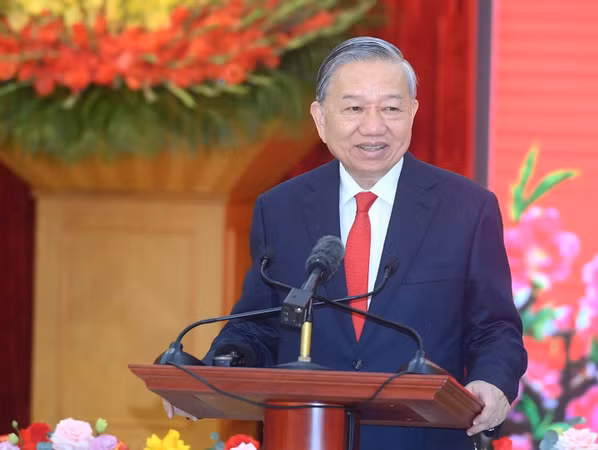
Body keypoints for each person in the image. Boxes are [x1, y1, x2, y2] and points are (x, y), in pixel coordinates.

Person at [167, 36, 526, 449]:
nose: (373, 127)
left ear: (413, 113)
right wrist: (212, 374)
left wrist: (491, 382)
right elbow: (259, 324)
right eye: (354, 108)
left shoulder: (467, 208)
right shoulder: (279, 208)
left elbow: (495, 328)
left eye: (391, 108)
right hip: (307, 437)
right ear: (321, 119)